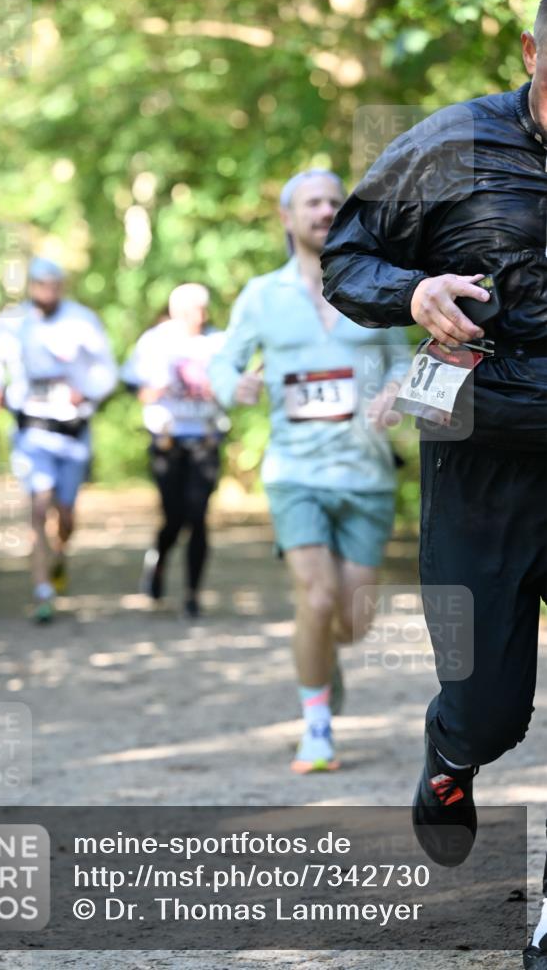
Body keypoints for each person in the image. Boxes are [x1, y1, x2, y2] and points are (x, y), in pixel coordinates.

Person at [321, 0, 547, 968]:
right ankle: (451, 755)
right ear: (534, 53)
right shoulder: (452, 145)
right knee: (490, 703)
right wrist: (409, 289)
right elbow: (346, 258)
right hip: (482, 464)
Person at [209, 169, 411, 773]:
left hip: (367, 475)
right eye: (312, 202)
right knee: (315, 596)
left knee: (350, 621)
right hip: (295, 472)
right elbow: (223, 361)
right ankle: (317, 729)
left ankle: (324, 653)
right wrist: (233, 385)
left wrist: (394, 395)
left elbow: (404, 364)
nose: (324, 210)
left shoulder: (375, 287)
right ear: (287, 217)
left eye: (333, 201)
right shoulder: (262, 296)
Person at [0, 257, 118, 622]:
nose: (48, 291)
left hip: (73, 431)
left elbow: (107, 369)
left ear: (62, 286)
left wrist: (87, 392)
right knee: (37, 506)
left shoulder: (82, 320)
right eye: (41, 284)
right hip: (32, 430)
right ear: (31, 287)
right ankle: (42, 590)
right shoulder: (13, 322)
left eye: (54, 284)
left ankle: (60, 552)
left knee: (65, 513)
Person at [123, 283, 228, 619]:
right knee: (174, 517)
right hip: (167, 441)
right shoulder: (155, 341)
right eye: (193, 309)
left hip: (205, 439)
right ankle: (159, 557)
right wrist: (150, 392)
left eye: (203, 308)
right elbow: (131, 383)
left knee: (198, 515)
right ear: (176, 311)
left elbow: (235, 385)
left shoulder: (219, 342)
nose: (200, 315)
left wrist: (223, 389)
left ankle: (192, 594)